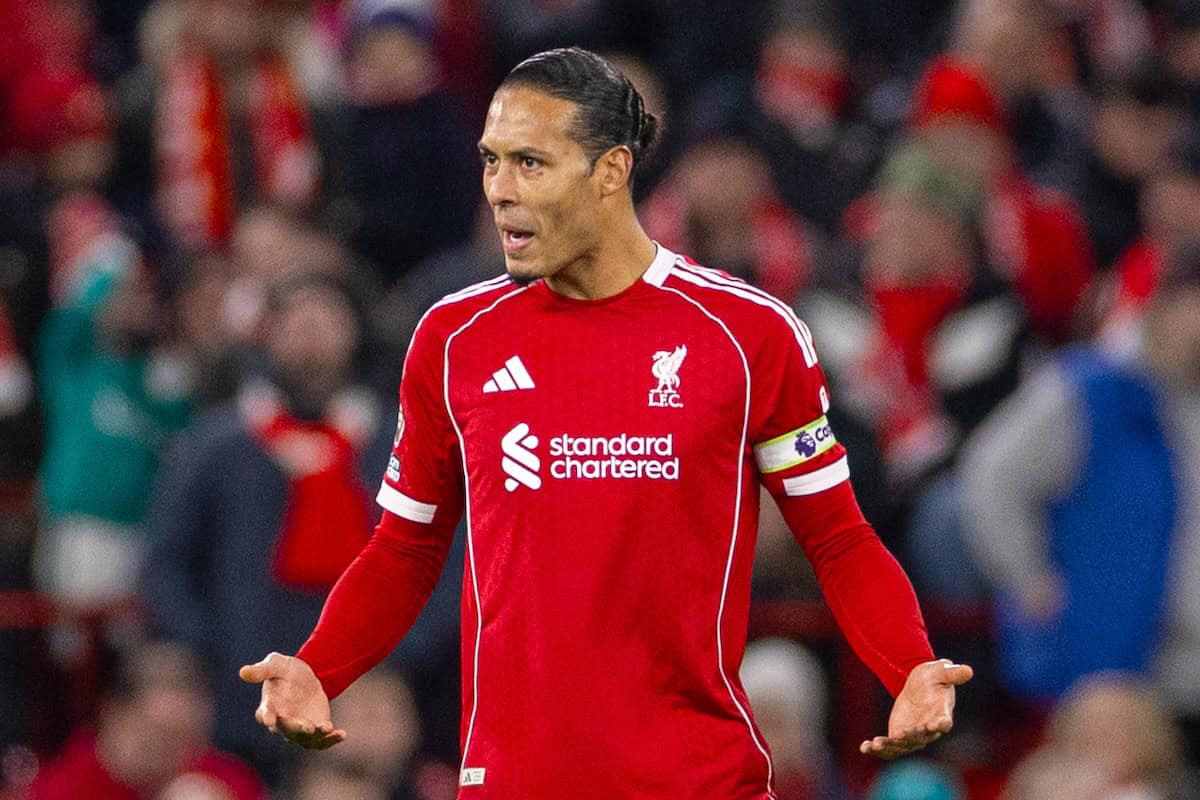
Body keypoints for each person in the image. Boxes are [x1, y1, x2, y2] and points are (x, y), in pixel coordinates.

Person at [240, 47, 973, 798]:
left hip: (696, 782)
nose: (500, 191)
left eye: (530, 163)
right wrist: (319, 666)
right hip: (516, 783)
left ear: (611, 170)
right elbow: (406, 548)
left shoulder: (749, 334)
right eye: (492, 161)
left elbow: (838, 538)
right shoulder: (452, 339)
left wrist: (910, 665)